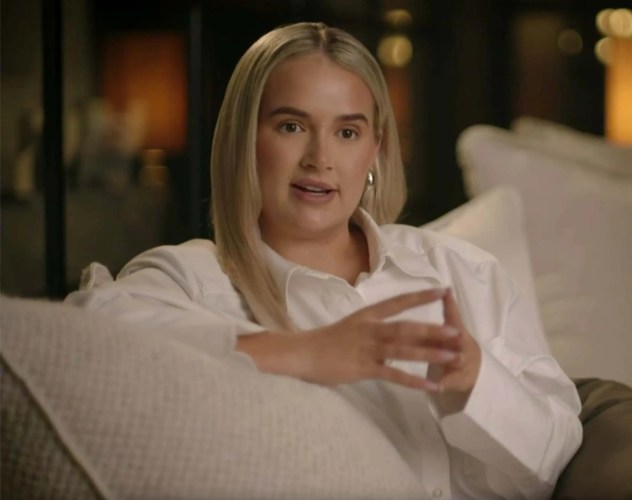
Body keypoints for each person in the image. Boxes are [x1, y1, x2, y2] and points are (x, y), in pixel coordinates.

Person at [65, 21, 582, 499]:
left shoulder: (461, 271)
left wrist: (474, 382)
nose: (321, 158)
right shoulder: (190, 279)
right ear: (247, 139)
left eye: (348, 132)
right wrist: (303, 355)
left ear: (375, 151)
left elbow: (556, 459)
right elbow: (80, 348)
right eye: (292, 126)